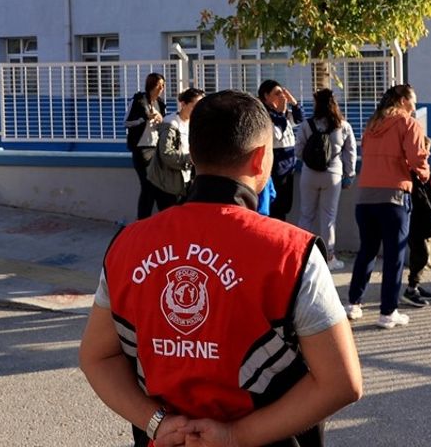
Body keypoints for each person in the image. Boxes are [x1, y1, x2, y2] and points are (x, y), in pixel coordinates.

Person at [79, 90, 363, 447]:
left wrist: (156, 423)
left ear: (194, 154)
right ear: (261, 159)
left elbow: (96, 356)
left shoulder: (126, 245)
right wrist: (234, 435)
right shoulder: (293, 253)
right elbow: (342, 382)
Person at [346, 84, 430, 329]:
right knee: (394, 255)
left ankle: (353, 304)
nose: (414, 107)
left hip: (365, 197)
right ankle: (387, 312)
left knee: (367, 251)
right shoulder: (409, 124)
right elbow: (417, 159)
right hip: (394, 196)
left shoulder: (372, 125)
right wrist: (424, 174)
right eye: (413, 101)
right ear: (404, 100)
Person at [295, 89, 356, 270]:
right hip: (333, 175)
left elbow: (298, 151)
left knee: (306, 215)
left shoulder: (307, 125)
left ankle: (301, 256)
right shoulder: (343, 126)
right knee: (328, 218)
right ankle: (329, 258)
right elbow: (350, 153)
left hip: (309, 174)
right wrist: (349, 175)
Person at [147, 88, 205, 210]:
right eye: (194, 107)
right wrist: (191, 159)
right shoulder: (171, 124)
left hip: (184, 181)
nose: (198, 111)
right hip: (167, 183)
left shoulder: (192, 123)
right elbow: (167, 154)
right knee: (169, 220)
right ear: (183, 104)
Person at [403, 137, 431, 309]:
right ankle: (411, 290)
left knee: (419, 254)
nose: (429, 153)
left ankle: (414, 285)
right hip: (412, 220)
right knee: (421, 255)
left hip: (419, 221)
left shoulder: (422, 170)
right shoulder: (412, 170)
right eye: (426, 149)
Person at [258, 79, 303, 222]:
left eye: (282, 93)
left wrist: (294, 103)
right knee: (276, 205)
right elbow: (277, 133)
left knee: (285, 205)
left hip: (288, 165)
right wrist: (281, 114)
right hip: (276, 165)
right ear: (266, 96)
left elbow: (298, 120)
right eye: (277, 94)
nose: (281, 97)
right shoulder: (265, 114)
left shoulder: (281, 113)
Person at [124, 72, 167, 220]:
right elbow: (127, 122)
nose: (161, 88)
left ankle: (159, 219)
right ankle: (143, 220)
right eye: (159, 85)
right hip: (142, 149)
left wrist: (162, 120)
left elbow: (163, 125)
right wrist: (144, 118)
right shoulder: (139, 100)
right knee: (148, 185)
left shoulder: (160, 103)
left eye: (163, 85)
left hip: (156, 148)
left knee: (158, 186)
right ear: (151, 85)